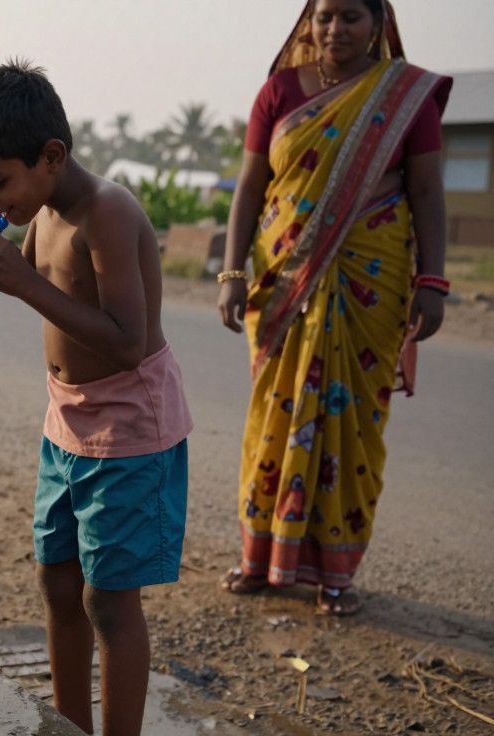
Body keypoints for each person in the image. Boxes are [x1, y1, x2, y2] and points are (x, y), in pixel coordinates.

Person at [0, 60, 192, 736]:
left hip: (129, 428)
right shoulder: (40, 206)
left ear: (51, 155)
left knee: (109, 600)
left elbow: (128, 341)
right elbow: (36, 274)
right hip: (66, 421)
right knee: (56, 580)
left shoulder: (106, 212)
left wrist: (20, 280)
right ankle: (69, 724)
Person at [217, 0, 451, 616]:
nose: (334, 29)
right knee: (275, 411)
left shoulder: (405, 97)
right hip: (282, 278)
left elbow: (427, 190)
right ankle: (258, 557)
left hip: (372, 278)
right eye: (323, 16)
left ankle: (336, 574)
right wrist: (233, 271)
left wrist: (434, 280)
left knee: (352, 426)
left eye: (350, 16)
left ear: (378, 23)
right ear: (307, 22)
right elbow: (250, 185)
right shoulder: (278, 91)